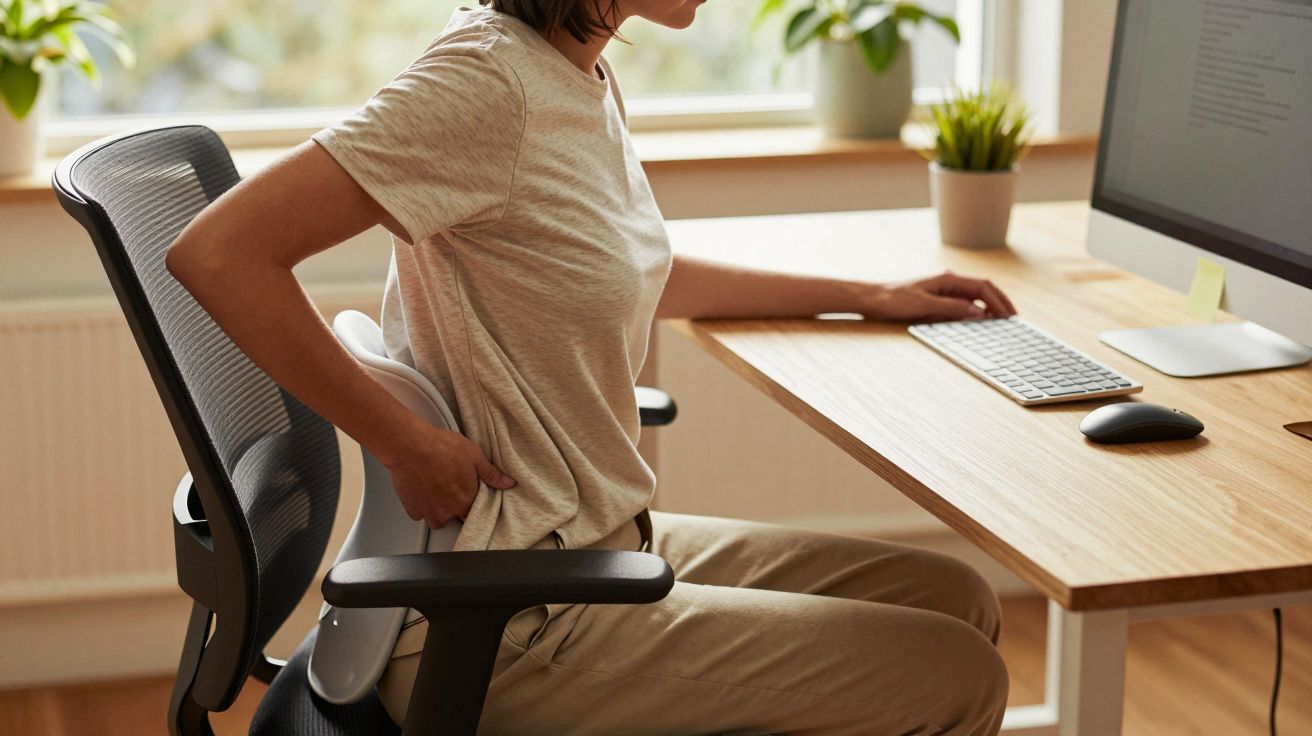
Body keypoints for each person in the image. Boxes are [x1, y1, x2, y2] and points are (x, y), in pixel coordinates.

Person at [166, 0, 1016, 732]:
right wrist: (401, 442)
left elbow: (633, 270)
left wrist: (864, 294)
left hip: (591, 540)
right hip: (510, 615)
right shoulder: (486, 83)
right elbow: (220, 253)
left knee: (958, 598)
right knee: (960, 676)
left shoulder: (576, 71)